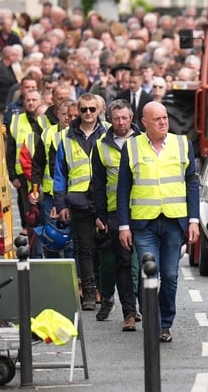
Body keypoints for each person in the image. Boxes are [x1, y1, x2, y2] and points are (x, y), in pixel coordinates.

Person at [117, 102, 200, 343]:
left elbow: (192, 183)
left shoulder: (182, 144)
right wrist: (124, 226)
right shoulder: (132, 147)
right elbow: (123, 189)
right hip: (144, 223)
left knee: (171, 275)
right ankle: (154, 322)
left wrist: (193, 220)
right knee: (147, 274)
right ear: (144, 122)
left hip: (175, 221)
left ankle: (166, 323)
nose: (163, 122)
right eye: (157, 119)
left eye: (164, 118)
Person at [53, 93, 108, 311]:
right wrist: (61, 204)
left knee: (104, 247)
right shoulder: (66, 137)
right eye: (83, 109)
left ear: (98, 111)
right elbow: (59, 174)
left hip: (104, 199)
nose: (87, 114)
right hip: (78, 200)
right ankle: (88, 291)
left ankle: (103, 290)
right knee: (84, 247)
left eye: (91, 110)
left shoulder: (108, 133)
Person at [91, 100, 141, 331]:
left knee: (142, 262)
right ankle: (129, 312)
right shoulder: (101, 146)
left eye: (125, 118)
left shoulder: (144, 141)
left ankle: (146, 304)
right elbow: (98, 184)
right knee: (122, 262)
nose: (121, 123)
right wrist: (100, 213)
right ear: (109, 119)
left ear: (132, 118)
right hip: (114, 213)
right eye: (116, 118)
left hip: (144, 209)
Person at [30, 97, 78, 259]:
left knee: (71, 235)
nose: (67, 118)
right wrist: (35, 188)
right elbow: (37, 163)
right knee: (51, 235)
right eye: (64, 114)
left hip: (74, 193)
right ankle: (53, 268)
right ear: (57, 114)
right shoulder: (48, 134)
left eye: (71, 115)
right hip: (51, 195)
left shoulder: (78, 135)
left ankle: (75, 273)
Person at [6, 83, 48, 238]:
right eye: (28, 100)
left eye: (34, 100)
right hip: (23, 177)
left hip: (44, 177)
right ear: (24, 102)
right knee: (30, 216)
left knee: (45, 215)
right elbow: (10, 150)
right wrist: (12, 176)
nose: (31, 103)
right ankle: (33, 251)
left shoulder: (47, 120)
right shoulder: (16, 121)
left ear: (41, 102)